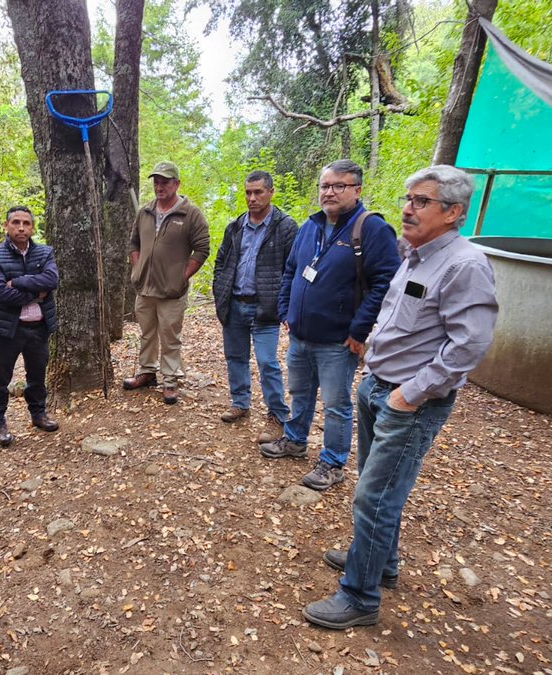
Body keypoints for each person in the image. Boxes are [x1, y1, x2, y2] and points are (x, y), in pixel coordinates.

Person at [302, 165, 498, 630]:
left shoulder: (465, 265)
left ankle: (359, 596)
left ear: (453, 212)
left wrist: (410, 395)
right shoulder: (414, 254)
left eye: (422, 201)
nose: (408, 209)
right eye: (409, 199)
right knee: (377, 488)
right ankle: (380, 562)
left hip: (409, 402)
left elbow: (469, 344)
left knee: (374, 497)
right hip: (378, 385)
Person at [268, 159, 401, 492]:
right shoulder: (311, 226)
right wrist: (285, 310)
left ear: (357, 190)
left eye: (339, 186)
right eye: (325, 186)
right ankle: (295, 440)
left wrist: (358, 330)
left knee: (336, 404)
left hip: (338, 341)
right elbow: (291, 270)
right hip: (300, 335)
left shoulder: (372, 229)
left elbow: (385, 283)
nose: (329, 192)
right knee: (300, 393)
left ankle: (333, 462)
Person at [211, 170, 298, 443]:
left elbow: (292, 269)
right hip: (235, 303)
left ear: (271, 192)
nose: (252, 198)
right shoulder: (235, 226)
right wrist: (220, 291)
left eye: (258, 192)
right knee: (235, 357)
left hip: (265, 308)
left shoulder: (285, 227)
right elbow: (221, 262)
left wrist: (284, 306)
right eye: (248, 192)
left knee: (267, 362)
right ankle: (240, 402)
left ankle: (277, 415)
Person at [122, 160, 210, 404]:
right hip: (145, 288)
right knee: (146, 333)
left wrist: (182, 276)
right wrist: (137, 268)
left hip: (172, 291)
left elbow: (202, 249)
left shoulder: (190, 214)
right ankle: (146, 372)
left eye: (165, 183)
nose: (159, 187)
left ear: (176, 184)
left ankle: (170, 380)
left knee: (170, 335)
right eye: (156, 182)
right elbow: (133, 243)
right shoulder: (145, 211)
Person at [0, 206, 61, 446]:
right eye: (15, 222)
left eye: (26, 223)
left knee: (37, 375)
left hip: (38, 326)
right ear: (6, 226)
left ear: (32, 227)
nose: (21, 228)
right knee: (0, 378)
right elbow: (0, 292)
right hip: (8, 329)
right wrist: (37, 293)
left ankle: (38, 414)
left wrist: (18, 281)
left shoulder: (45, 252)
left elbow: (52, 280)